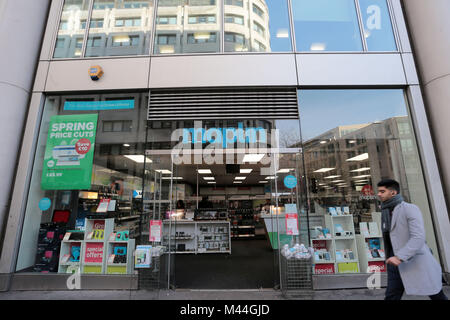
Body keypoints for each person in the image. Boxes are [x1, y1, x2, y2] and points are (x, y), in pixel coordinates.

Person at [377, 179, 448, 300]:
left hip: (412, 259)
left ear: (393, 193)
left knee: (436, 293)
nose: (378, 194)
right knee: (392, 296)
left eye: (382, 191)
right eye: (378, 191)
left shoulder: (409, 208)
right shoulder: (385, 211)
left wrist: (400, 257)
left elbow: (418, 237)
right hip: (394, 261)